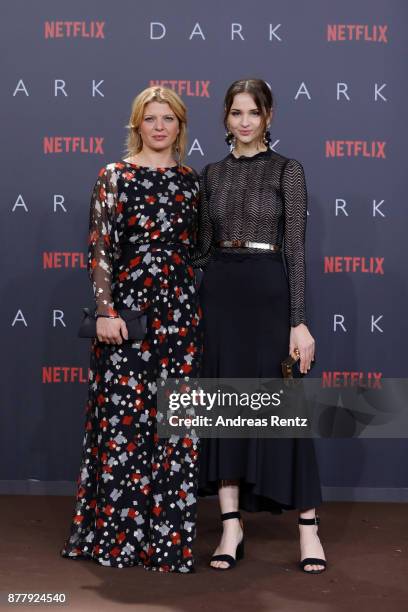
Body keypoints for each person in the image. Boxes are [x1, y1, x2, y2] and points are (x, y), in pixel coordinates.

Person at [61, 86, 202, 573]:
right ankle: (118, 539)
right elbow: (101, 247)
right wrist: (106, 310)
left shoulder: (190, 182)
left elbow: (200, 249)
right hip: (127, 314)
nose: (159, 126)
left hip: (181, 315)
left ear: (180, 126)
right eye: (150, 118)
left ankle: (167, 544)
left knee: (175, 424)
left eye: (168, 119)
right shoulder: (114, 177)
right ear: (136, 125)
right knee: (123, 424)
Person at [193, 79, 327, 573]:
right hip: (221, 297)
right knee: (224, 408)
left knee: (283, 409)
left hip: (270, 295)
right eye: (235, 113)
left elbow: (295, 250)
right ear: (225, 118)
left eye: (253, 112)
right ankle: (231, 527)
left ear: (268, 116)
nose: (244, 122)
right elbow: (203, 250)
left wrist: (299, 321)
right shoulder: (210, 174)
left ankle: (309, 534)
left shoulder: (287, 171)